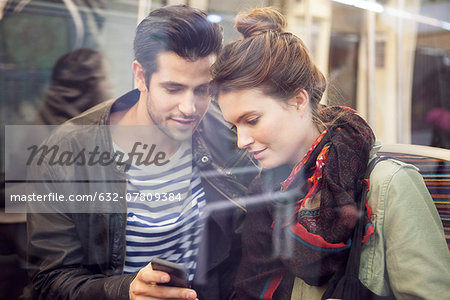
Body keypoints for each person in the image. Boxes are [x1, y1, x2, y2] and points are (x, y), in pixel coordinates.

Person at [210, 7, 450, 300]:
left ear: (298, 101)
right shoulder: (265, 193)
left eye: (252, 120)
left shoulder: (389, 185)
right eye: (234, 126)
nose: (242, 140)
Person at [24, 5, 257, 300]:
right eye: (173, 89)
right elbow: (49, 281)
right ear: (140, 76)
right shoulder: (65, 153)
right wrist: (126, 292)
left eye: (202, 90)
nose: (190, 108)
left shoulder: (225, 132)